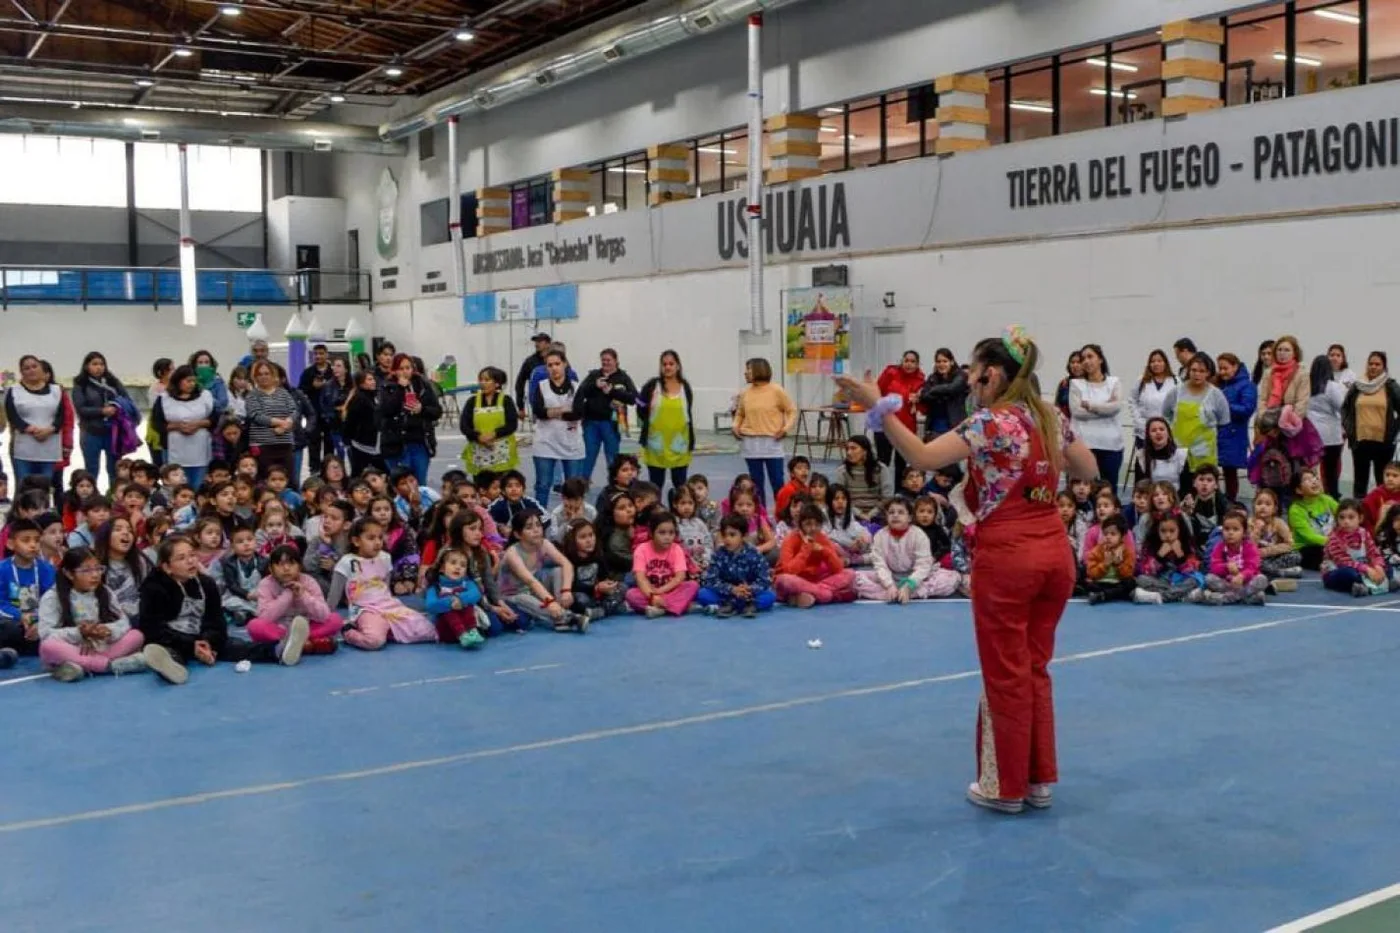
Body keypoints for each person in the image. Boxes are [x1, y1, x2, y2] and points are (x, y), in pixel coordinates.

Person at [838, 325, 1097, 815]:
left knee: (1005, 672)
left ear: (993, 375)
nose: (969, 381)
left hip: (1010, 556)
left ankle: (1004, 786)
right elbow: (1087, 470)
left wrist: (880, 404)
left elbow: (921, 455)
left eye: (973, 373)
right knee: (1036, 665)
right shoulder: (1051, 418)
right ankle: (1039, 779)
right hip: (1055, 555)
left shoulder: (989, 423)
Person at [139, 535, 308, 685]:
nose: (191, 561)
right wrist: (191, 646)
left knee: (237, 646)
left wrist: (208, 642)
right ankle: (171, 668)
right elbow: (152, 628)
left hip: (202, 638)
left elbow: (216, 622)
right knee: (166, 651)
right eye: (182, 558)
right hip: (173, 640)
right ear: (167, 567)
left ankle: (279, 650)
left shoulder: (206, 583)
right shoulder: (153, 588)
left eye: (192, 555)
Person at [37, 547, 148, 682]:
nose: (95, 575)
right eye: (86, 570)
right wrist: (80, 633)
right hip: (74, 648)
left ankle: (83, 666)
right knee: (48, 647)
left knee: (136, 635)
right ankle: (111, 666)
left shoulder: (105, 592)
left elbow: (124, 622)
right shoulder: (53, 597)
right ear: (69, 573)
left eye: (98, 569)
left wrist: (108, 630)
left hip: (101, 647)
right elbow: (46, 633)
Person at [733, 357, 798, 508]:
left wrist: (785, 428)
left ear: (759, 370)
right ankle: (760, 517)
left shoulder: (777, 390)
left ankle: (783, 514)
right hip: (750, 443)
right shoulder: (745, 393)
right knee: (756, 484)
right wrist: (735, 426)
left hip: (772, 442)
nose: (745, 373)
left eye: (748, 370)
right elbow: (740, 413)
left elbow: (791, 410)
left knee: (777, 482)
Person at [529, 348, 587, 506]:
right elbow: (538, 411)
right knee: (543, 485)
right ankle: (541, 519)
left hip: (571, 442)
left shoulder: (577, 387)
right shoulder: (541, 386)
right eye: (550, 365)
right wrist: (563, 410)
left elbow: (579, 413)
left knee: (574, 487)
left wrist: (551, 412)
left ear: (565, 364)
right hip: (545, 442)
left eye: (557, 364)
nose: (554, 368)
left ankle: (574, 521)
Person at [5, 354, 66, 501]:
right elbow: (12, 415)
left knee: (44, 488)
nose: (31, 370)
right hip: (24, 446)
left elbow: (62, 415)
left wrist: (49, 429)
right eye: (26, 368)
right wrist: (30, 429)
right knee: (24, 487)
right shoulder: (14, 390)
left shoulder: (57, 390)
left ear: (41, 368)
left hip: (49, 446)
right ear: (21, 372)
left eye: (34, 366)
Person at [1162, 353, 1230, 481]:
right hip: (1178, 452)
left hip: (1205, 456)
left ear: (1208, 373)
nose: (1197, 374)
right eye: (1193, 370)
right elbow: (1165, 415)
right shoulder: (1175, 392)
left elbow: (1224, 422)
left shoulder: (1217, 395)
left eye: (1201, 371)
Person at [636, 350, 695, 496]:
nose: (667, 367)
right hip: (656, 445)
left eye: (671, 364)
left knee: (680, 486)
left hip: (679, 445)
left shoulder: (685, 387)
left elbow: (688, 412)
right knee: (655, 486)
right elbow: (640, 405)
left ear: (678, 366)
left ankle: (680, 514)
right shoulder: (651, 386)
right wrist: (647, 419)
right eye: (664, 364)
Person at [574, 349, 637, 484]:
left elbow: (634, 399)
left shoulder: (623, 377)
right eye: (603, 360)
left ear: (616, 361)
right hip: (591, 423)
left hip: (612, 424)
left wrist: (612, 392)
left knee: (612, 458)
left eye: (608, 360)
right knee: (588, 456)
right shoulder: (594, 375)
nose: (605, 363)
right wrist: (594, 385)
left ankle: (615, 485)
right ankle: (582, 484)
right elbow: (581, 392)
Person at [71, 350, 133, 488]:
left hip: (113, 432)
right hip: (91, 432)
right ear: (87, 366)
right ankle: (92, 501)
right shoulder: (81, 384)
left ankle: (115, 498)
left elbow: (127, 400)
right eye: (94, 364)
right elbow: (81, 409)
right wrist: (102, 411)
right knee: (92, 470)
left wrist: (117, 408)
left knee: (115, 470)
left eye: (101, 364)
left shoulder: (112, 382)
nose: (99, 367)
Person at [1342, 351, 1400, 497]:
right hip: (1361, 441)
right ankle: (1359, 512)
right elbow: (1345, 409)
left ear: (1384, 367)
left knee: (1383, 482)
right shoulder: (1358, 386)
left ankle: (1384, 513)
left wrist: (1394, 430)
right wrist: (1349, 430)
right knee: (1360, 481)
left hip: (1383, 442)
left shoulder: (1390, 386)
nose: (1373, 367)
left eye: (1377, 364)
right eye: (1371, 364)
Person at [378, 353, 440, 488]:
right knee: (401, 485)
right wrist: (400, 389)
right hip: (396, 443)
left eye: (408, 368)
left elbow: (436, 411)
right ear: (394, 370)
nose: (405, 372)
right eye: (401, 368)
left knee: (420, 483)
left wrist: (422, 409)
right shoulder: (387, 386)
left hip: (419, 441)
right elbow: (386, 410)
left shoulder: (423, 385)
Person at [150, 364, 215, 491]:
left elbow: (215, 418)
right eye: (188, 381)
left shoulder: (205, 396)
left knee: (197, 486)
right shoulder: (164, 398)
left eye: (193, 381)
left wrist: (198, 424)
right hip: (175, 449)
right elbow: (157, 423)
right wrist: (177, 426)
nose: (191, 384)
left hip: (199, 449)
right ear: (178, 381)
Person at [1069, 344, 1124, 486]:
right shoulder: (1076, 384)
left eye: (1090, 356)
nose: (1086, 361)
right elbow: (1077, 412)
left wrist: (1090, 405)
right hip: (1083, 445)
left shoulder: (1114, 382)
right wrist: (1105, 407)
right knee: (1083, 491)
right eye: (1083, 358)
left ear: (1100, 359)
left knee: (1109, 490)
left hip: (1111, 445)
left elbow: (1116, 408)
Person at [873, 351, 926, 476]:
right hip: (884, 424)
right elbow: (876, 392)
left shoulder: (921, 380)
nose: (909, 364)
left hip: (905, 427)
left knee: (901, 463)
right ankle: (881, 492)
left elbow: (923, 407)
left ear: (917, 364)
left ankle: (900, 492)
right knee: (883, 461)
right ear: (902, 361)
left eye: (913, 362)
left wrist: (918, 400)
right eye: (906, 360)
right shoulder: (890, 372)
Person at [244, 360, 299, 479]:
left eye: (266, 373)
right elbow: (255, 415)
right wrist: (279, 422)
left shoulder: (283, 393)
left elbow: (294, 411)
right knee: (265, 479)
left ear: (273, 375)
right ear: (255, 377)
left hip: (285, 444)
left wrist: (287, 423)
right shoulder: (252, 395)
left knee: (288, 479)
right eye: (260, 374)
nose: (263, 376)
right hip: (262, 445)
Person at [1214, 352, 1257, 502]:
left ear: (1235, 367)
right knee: (1213, 471)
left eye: (1225, 368)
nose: (1222, 372)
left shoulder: (1247, 385)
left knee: (1230, 471)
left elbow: (1247, 409)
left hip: (1234, 433)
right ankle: (1217, 499)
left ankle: (1230, 501)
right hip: (1217, 432)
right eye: (1220, 368)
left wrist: (1224, 405)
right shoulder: (1219, 384)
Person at [461, 366, 519, 476]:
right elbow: (464, 425)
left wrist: (493, 434)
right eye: (481, 380)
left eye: (487, 380)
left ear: (497, 383)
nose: (483, 383)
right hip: (479, 453)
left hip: (503, 454)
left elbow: (512, 425)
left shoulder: (506, 400)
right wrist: (478, 437)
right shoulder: (472, 401)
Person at [1306, 354, 1349, 499]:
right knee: (1331, 471)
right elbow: (1342, 407)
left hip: (1311, 433)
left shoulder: (1307, 386)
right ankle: (1332, 496)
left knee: (1311, 469)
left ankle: (1312, 494)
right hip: (1330, 434)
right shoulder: (1332, 386)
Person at [298, 344, 335, 473]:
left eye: (321, 353)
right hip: (313, 412)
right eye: (316, 354)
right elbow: (300, 391)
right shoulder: (308, 373)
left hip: (330, 413)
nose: (318, 356)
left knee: (330, 440)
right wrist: (313, 387)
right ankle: (314, 468)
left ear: (327, 354)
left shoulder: (333, 372)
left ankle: (328, 466)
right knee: (313, 441)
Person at [919, 348, 969, 441]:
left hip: (954, 425)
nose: (941, 364)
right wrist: (941, 392)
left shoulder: (961, 375)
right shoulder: (932, 378)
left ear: (952, 362)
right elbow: (924, 396)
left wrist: (934, 390)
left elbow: (952, 388)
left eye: (945, 361)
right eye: (938, 361)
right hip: (934, 427)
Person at [1256, 334, 1309, 417]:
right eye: (1279, 350)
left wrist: (1287, 421)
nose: (1282, 353)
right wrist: (1263, 416)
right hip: (1270, 420)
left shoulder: (1302, 374)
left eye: (1287, 350)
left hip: (1292, 422)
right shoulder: (1268, 373)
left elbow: (1302, 402)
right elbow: (1262, 399)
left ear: (1294, 353)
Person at [514, 332, 554, 414]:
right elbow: (520, 383)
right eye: (536, 341)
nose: (536, 344)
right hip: (538, 403)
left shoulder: (557, 359)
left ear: (548, 344)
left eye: (540, 341)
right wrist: (520, 406)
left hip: (557, 401)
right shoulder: (530, 361)